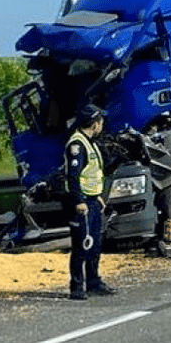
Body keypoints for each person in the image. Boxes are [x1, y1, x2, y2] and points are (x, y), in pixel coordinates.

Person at [63, 104, 116, 300]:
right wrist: (78, 200)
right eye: (100, 122)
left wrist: (101, 197)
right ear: (94, 124)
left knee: (95, 245)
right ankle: (76, 287)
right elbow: (73, 176)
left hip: (94, 202)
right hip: (82, 204)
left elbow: (96, 172)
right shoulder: (76, 145)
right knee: (82, 246)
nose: (102, 125)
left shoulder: (91, 142)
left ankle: (93, 282)